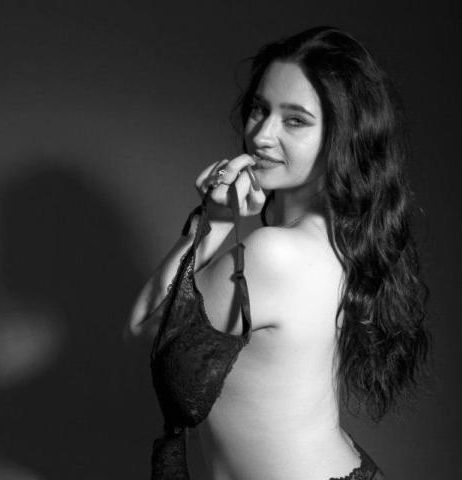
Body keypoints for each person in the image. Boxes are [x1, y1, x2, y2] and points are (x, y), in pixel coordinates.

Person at [126, 26, 429, 480]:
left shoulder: (274, 255)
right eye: (259, 109)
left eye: (295, 120)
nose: (262, 135)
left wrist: (216, 222)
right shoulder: (341, 242)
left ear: (343, 136)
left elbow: (145, 331)